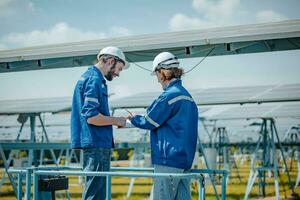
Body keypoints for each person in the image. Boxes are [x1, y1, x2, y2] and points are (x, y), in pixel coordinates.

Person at [127, 52, 198, 200]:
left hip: (168, 161)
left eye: (157, 75)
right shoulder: (187, 97)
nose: (158, 80)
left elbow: (149, 121)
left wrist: (133, 119)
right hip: (184, 161)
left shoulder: (169, 96)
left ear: (161, 73)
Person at [71, 46, 130, 200]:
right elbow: (91, 117)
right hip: (96, 144)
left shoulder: (89, 77)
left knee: (97, 192)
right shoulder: (94, 79)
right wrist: (117, 120)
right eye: (119, 68)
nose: (118, 73)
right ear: (110, 61)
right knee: (96, 195)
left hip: (95, 142)